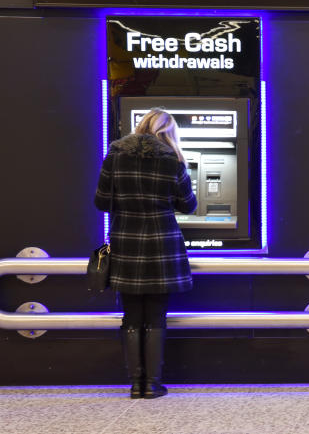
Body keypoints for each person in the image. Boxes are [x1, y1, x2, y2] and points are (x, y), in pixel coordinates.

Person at [94, 108, 196, 399]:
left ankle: (135, 384)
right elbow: (188, 204)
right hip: (162, 245)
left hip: (126, 242)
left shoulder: (115, 156)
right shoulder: (172, 160)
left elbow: (101, 201)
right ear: (167, 131)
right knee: (156, 317)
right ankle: (152, 384)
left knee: (131, 316)